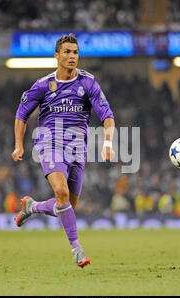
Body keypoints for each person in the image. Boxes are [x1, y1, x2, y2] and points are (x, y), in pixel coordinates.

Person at [11, 34, 116, 268]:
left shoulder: (88, 82)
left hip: (78, 148)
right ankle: (77, 249)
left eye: (75, 52)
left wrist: (108, 143)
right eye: (67, 52)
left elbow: (107, 116)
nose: (72, 56)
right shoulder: (42, 85)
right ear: (56, 56)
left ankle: (33, 206)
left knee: (67, 206)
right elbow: (21, 114)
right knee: (62, 192)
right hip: (49, 143)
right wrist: (19, 144)